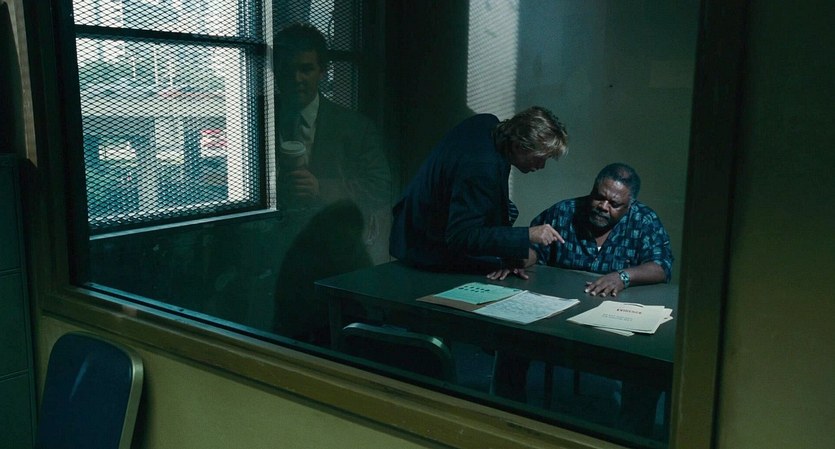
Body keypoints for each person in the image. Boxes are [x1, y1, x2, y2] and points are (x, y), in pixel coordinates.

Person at [495, 162, 673, 439]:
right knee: (511, 339)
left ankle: (631, 438)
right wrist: (518, 260)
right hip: (559, 312)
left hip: (612, 318)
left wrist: (623, 276)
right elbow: (535, 249)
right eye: (598, 197)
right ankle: (506, 423)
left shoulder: (645, 220)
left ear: (629, 205)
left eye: (614, 204)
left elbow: (661, 266)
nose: (603, 206)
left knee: (643, 367)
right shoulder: (564, 211)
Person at [272, 23, 391, 341]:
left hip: (337, 263)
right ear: (275, 71)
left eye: (306, 69)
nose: (296, 78)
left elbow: (380, 187)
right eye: (287, 70)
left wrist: (321, 188)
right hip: (275, 260)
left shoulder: (355, 127)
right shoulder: (258, 120)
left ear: (322, 71)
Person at [389, 106, 569, 274]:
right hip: (424, 246)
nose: (541, 166)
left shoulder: (488, 124)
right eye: (539, 158)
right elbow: (461, 236)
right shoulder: (481, 166)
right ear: (518, 145)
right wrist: (527, 234)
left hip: (416, 226)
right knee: (521, 260)